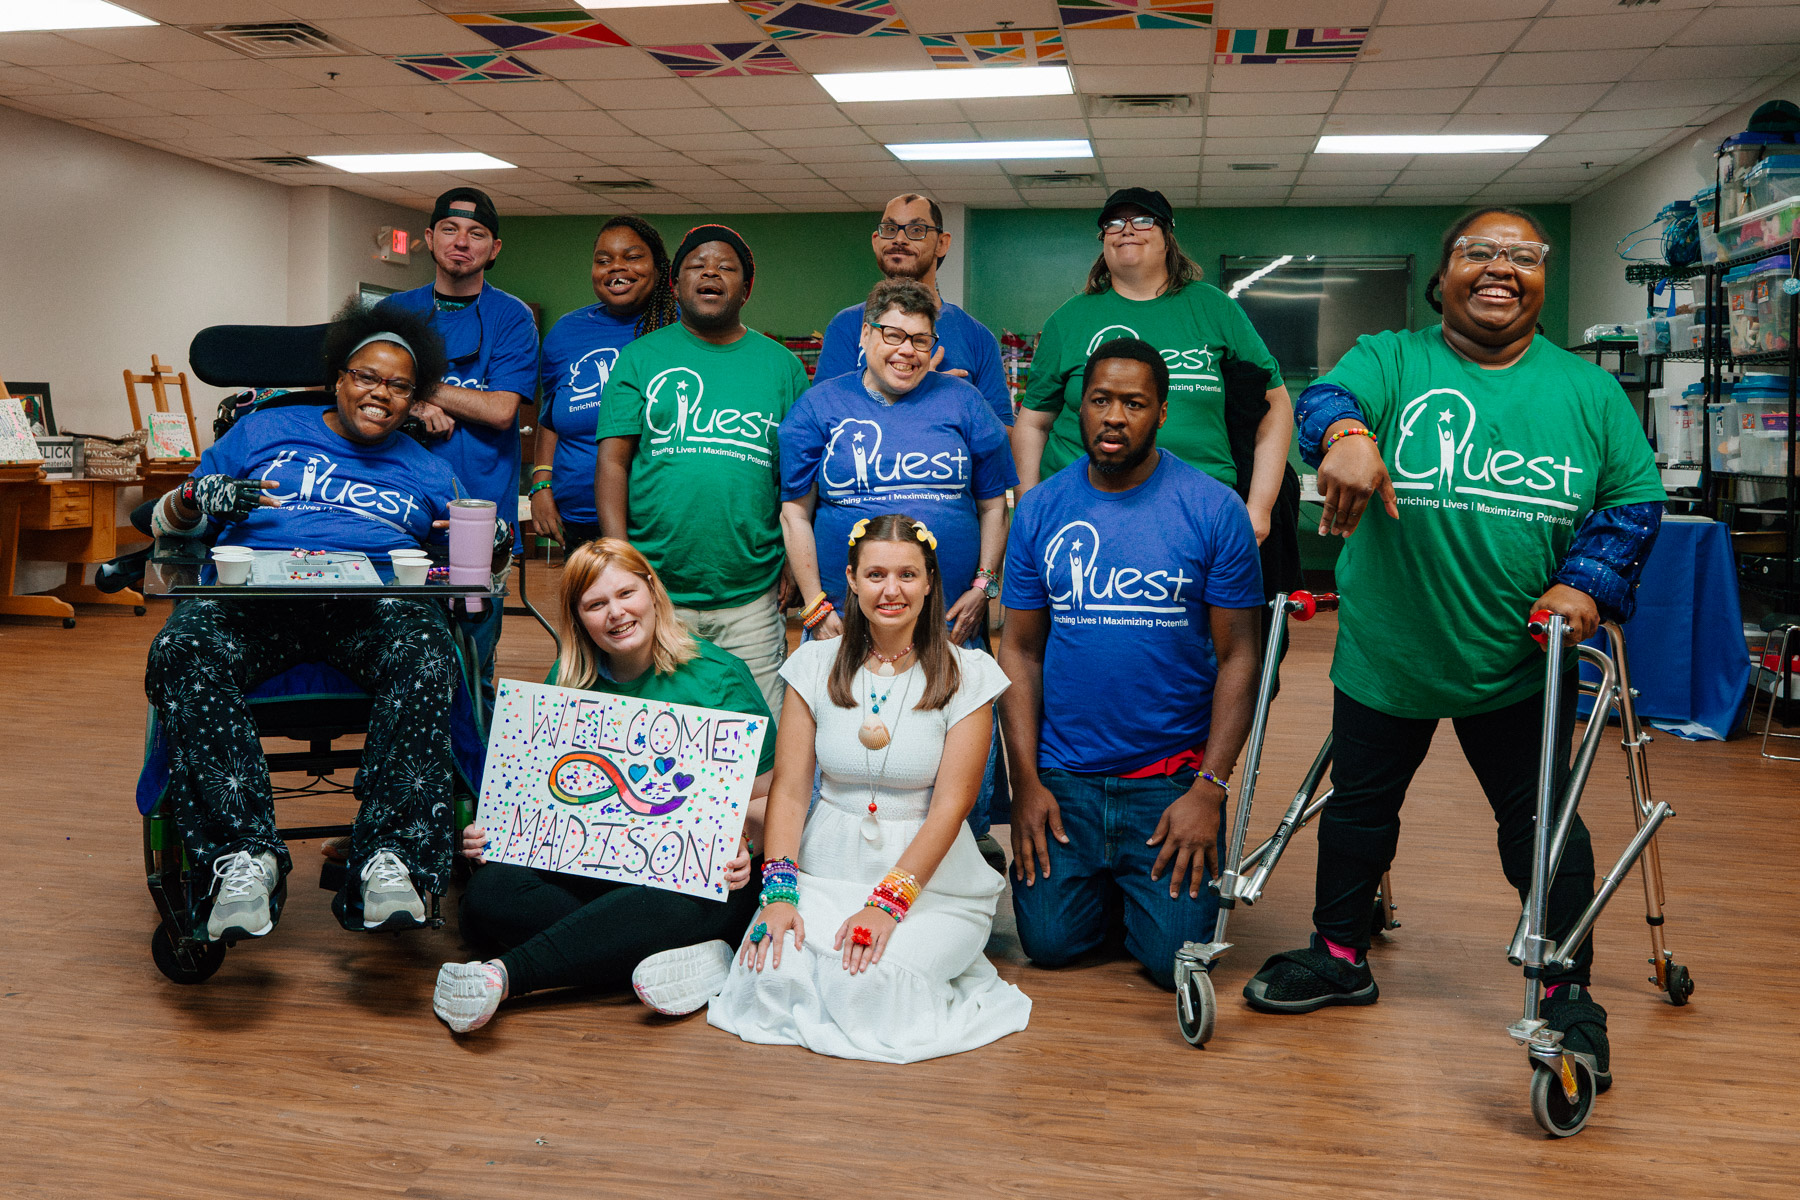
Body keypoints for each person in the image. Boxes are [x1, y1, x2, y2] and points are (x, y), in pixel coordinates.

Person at [1243, 208, 1666, 1095]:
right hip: (1388, 650)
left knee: (1543, 829)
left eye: (1523, 256)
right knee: (1360, 813)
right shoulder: (1393, 358)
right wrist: (1348, 438)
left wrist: (1586, 583)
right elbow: (1325, 401)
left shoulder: (1587, 392)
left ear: (1542, 280)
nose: (1501, 267)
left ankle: (1566, 990)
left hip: (1518, 661)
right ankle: (1338, 956)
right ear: (1444, 278)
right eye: (1480, 252)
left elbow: (1632, 501)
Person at [143, 303, 476, 942]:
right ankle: (244, 857)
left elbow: (465, 552)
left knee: (428, 649)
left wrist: (490, 543)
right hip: (256, 600)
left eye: (399, 386)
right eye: (366, 376)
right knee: (182, 647)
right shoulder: (262, 432)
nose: (380, 393)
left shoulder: (430, 468)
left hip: (372, 609)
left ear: (415, 400)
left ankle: (389, 857)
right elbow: (165, 521)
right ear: (339, 377)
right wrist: (192, 498)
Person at [706, 514, 1030, 1063]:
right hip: (826, 867)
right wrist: (780, 893)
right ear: (852, 580)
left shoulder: (968, 673)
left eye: (907, 575)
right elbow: (790, 791)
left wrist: (887, 905)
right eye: (876, 574)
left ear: (929, 582)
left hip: (930, 883)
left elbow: (951, 808)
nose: (891, 590)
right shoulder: (813, 664)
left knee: (869, 985)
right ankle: (717, 963)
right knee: (771, 970)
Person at [999, 339, 1264, 991]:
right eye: (1101, 400)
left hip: (1169, 780)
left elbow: (1240, 657)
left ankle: (1130, 890)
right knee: (1049, 945)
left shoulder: (1214, 509)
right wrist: (1025, 783)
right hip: (1066, 778)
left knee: (1174, 961)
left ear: (1162, 412)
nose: (1114, 416)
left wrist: (1209, 790)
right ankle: (1112, 885)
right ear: (1079, 407)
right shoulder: (1040, 509)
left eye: (1134, 403)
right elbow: (1020, 651)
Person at [434, 539, 775, 1033]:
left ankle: (505, 976)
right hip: (598, 871)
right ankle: (683, 955)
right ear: (578, 618)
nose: (616, 613)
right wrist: (495, 834)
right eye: (595, 604)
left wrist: (744, 841)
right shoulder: (568, 680)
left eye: (626, 594)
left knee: (691, 903)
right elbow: (537, 801)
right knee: (487, 897)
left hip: (691, 879)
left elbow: (768, 799)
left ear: (652, 591)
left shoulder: (720, 677)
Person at [780, 279, 1017, 842]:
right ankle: (832, 865)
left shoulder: (964, 403)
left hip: (950, 626)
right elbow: (795, 511)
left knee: (958, 774)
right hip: (844, 626)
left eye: (920, 339)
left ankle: (959, 865)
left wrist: (984, 585)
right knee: (837, 766)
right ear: (865, 336)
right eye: (893, 335)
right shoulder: (821, 405)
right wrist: (815, 605)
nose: (906, 351)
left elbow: (993, 504)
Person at [596, 224, 809, 714]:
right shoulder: (640, 358)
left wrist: (794, 560)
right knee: (655, 724)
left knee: (759, 729)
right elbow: (613, 462)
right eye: (697, 265)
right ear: (675, 285)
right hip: (656, 588)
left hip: (752, 595)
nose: (711, 273)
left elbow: (798, 477)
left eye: (726, 268)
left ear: (746, 290)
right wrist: (619, 559)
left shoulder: (783, 368)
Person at [1012, 187, 1293, 548]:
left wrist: (1260, 507)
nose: (1127, 229)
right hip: (1083, 512)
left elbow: (1275, 404)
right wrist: (1029, 507)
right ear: (1104, 240)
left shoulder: (1214, 308)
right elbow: (1033, 423)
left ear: (1167, 236)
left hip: (1198, 510)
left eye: (1143, 220)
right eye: (1114, 223)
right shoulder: (1068, 319)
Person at [376, 187, 539, 702]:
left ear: (494, 248)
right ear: (429, 238)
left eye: (476, 234)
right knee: (393, 660)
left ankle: (470, 756)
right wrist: (412, 405)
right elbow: (360, 394)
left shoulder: (512, 317)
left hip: (478, 519)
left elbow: (500, 410)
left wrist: (416, 387)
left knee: (473, 668)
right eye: (449, 230)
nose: (461, 242)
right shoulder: (393, 312)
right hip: (394, 513)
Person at [532, 216, 679, 552]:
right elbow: (551, 417)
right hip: (578, 521)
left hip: (661, 521)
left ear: (660, 268)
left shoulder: (682, 329)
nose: (616, 267)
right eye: (603, 260)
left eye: (632, 257)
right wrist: (541, 483)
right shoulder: (566, 332)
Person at [815, 192, 1014, 428]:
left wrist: (950, 398)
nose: (899, 239)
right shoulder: (847, 325)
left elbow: (1003, 434)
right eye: (890, 229)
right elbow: (823, 417)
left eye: (916, 230)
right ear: (876, 241)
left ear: (942, 243)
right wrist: (912, 392)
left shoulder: (977, 337)